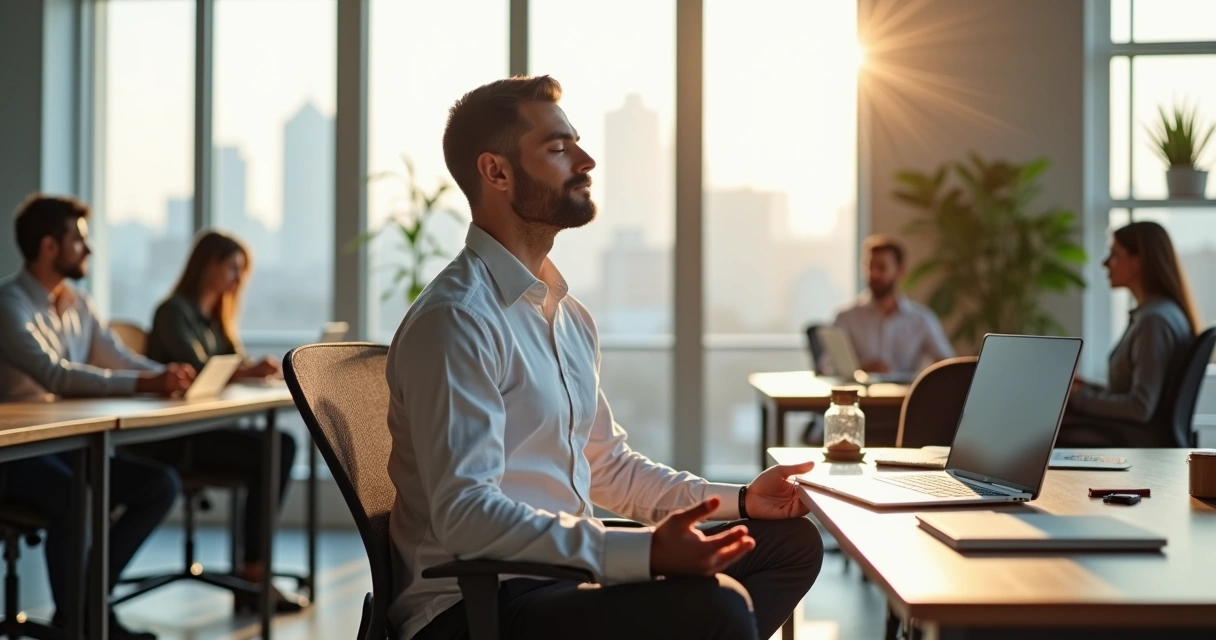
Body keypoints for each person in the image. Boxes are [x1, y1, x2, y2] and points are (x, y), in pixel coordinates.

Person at [387, 76, 823, 640]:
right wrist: (641, 553)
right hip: (475, 605)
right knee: (716, 610)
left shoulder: (568, 316)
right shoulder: (458, 320)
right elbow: (467, 519)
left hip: (564, 579)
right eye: (558, 148)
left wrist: (738, 500)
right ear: (496, 172)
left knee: (787, 545)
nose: (587, 160)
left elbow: (608, 468)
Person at [0, 194, 189, 640]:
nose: (89, 250)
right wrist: (145, 385)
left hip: (67, 444)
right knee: (77, 494)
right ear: (50, 246)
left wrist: (164, 375)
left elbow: (117, 358)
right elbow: (55, 377)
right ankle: (82, 619)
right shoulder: (9, 306)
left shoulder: (78, 303)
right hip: (15, 454)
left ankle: (86, 608)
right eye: (80, 241)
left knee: (158, 485)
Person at [127, 229, 302, 612]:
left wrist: (253, 371)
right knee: (277, 448)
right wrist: (245, 371)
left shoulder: (215, 318)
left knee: (277, 446)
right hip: (175, 439)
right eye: (232, 268)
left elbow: (230, 364)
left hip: (207, 431)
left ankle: (252, 567)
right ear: (208, 265)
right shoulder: (173, 311)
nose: (237, 280)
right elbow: (201, 373)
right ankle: (253, 570)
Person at [1059, 221, 1201, 447]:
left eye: (1114, 255)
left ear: (1139, 260)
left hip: (1133, 437)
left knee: (1040, 432)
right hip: (1130, 431)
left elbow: (1140, 407)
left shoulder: (1153, 321)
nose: (1105, 263)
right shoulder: (1159, 314)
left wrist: (1076, 399)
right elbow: (1131, 393)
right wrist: (1086, 388)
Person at [828, 234, 954, 376]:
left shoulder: (921, 319)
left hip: (907, 397)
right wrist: (861, 368)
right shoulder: (846, 317)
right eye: (870, 267)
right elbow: (827, 365)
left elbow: (947, 361)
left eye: (882, 268)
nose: (874, 274)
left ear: (900, 271)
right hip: (862, 396)